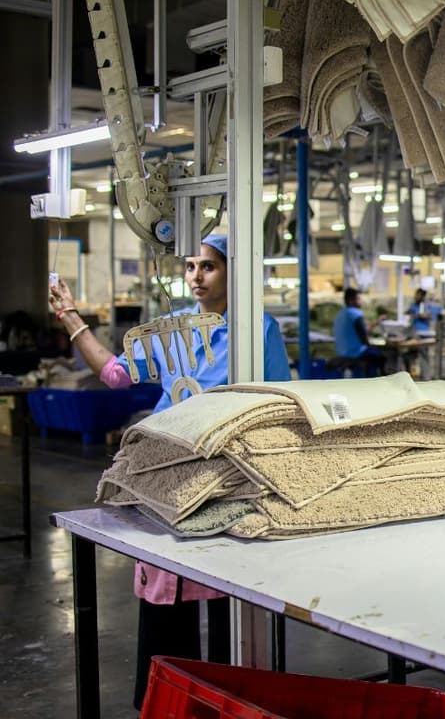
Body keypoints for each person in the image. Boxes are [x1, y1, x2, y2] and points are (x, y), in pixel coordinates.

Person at [48, 234, 291, 709]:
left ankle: (227, 701)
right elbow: (116, 375)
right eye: (191, 266)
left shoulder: (258, 329)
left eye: (209, 266)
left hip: (227, 475)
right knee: (166, 591)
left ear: (233, 270)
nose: (196, 276)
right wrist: (70, 317)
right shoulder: (169, 330)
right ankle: (165, 700)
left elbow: (277, 398)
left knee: (228, 601)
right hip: (167, 472)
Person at [331, 287, 386, 377]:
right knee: (382, 357)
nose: (360, 301)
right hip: (355, 353)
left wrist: (376, 322)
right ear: (351, 301)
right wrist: (372, 344)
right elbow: (364, 338)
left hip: (341, 352)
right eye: (358, 299)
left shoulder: (339, 314)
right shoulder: (355, 313)